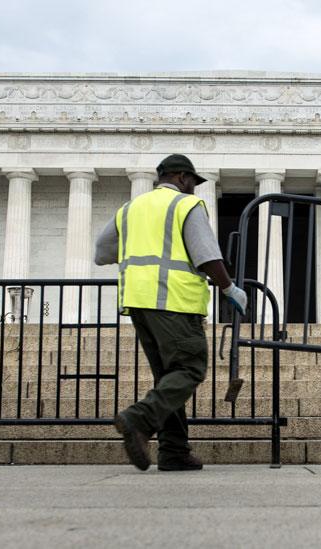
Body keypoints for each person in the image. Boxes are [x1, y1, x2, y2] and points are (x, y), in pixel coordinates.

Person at [94, 153, 247, 472]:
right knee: (191, 369)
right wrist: (229, 289)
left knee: (168, 377)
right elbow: (206, 256)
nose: (194, 188)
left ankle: (173, 452)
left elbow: (102, 252)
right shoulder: (186, 206)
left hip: (137, 301)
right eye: (192, 181)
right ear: (180, 177)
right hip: (174, 301)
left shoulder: (130, 209)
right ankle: (138, 419)